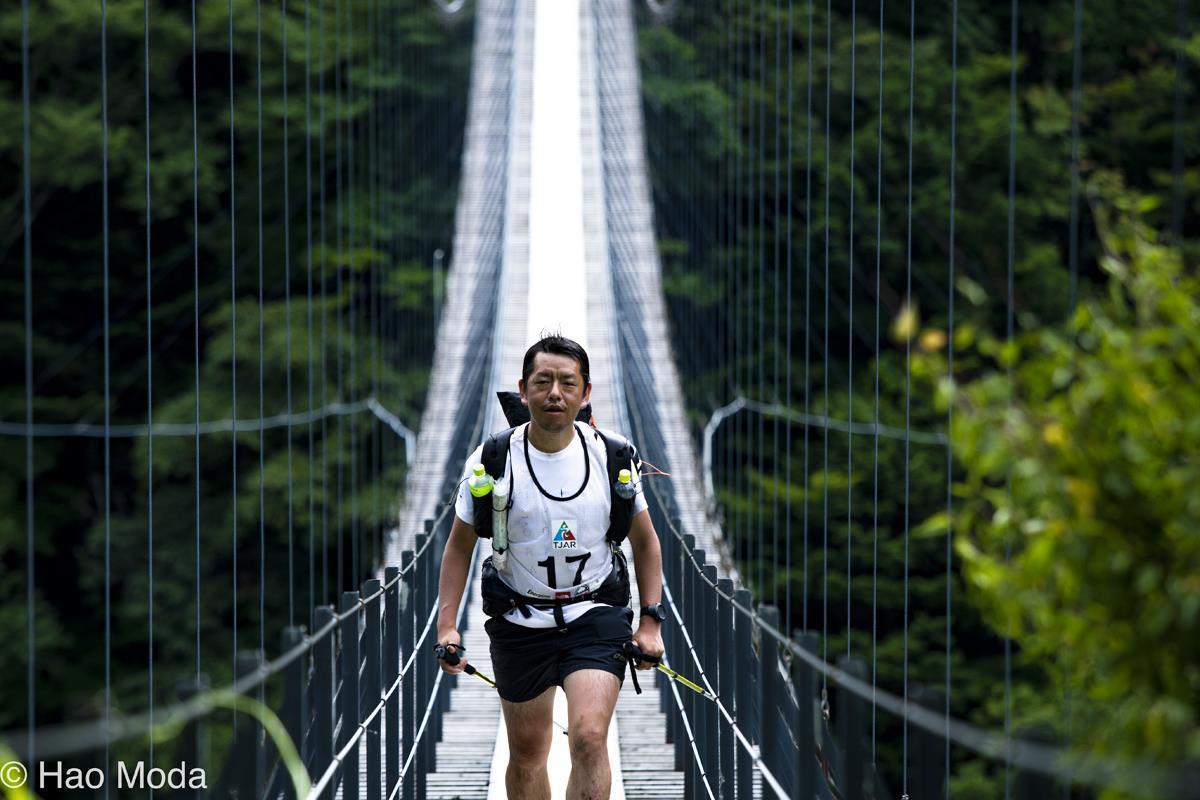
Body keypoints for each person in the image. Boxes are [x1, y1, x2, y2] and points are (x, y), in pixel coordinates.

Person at [435, 334, 666, 800]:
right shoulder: (492, 460)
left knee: (588, 737)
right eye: (543, 382)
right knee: (527, 755)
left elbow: (645, 540)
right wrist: (447, 629)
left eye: (567, 382)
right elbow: (459, 547)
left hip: (595, 614)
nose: (555, 393)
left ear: (586, 392)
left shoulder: (613, 457)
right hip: (520, 620)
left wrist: (650, 623)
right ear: (523, 389)